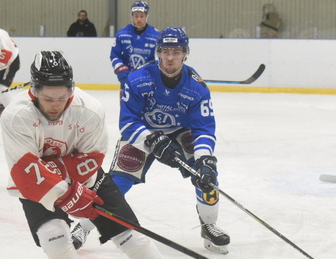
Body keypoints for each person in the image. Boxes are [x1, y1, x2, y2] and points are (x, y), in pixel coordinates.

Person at [73, 27, 230, 254]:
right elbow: (127, 123)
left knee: (206, 177)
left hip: (180, 131)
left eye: (176, 52)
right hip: (142, 132)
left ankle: (208, 225)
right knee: (115, 183)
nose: (170, 58)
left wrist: (205, 160)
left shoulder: (197, 87)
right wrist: (151, 140)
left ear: (185, 53)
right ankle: (83, 226)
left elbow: (203, 128)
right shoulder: (138, 79)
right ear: (157, 52)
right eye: (165, 51)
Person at [0, 50, 162, 259]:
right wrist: (64, 193)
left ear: (71, 89)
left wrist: (71, 189)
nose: (56, 105)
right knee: (55, 237)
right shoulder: (16, 116)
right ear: (34, 91)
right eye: (48, 98)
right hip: (35, 184)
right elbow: (24, 169)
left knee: (130, 235)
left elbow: (93, 157)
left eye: (62, 97)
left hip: (87, 177)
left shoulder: (90, 110)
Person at [109, 1, 160, 88]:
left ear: (147, 17)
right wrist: (121, 70)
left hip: (148, 79)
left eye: (142, 16)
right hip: (126, 78)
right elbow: (115, 55)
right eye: (136, 16)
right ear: (132, 16)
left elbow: (159, 58)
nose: (139, 19)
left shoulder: (156, 35)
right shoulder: (122, 34)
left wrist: (152, 73)